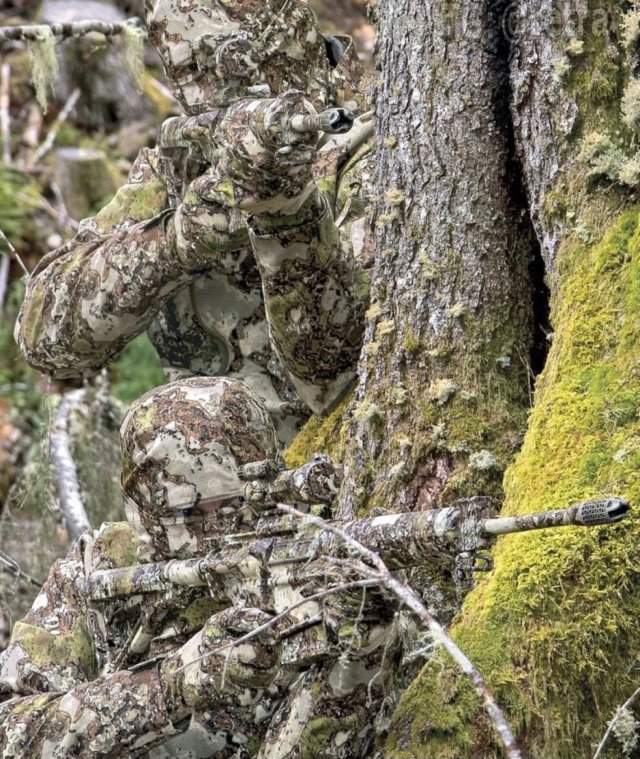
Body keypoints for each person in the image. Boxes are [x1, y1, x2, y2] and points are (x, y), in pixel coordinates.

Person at [15, 0, 375, 445]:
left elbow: (340, 372)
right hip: (204, 490)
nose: (199, 91)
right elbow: (43, 337)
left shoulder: (363, 154)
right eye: (190, 77)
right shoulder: (180, 164)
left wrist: (284, 211)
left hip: (338, 469)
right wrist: (174, 244)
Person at [0, 377, 395, 758]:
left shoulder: (306, 563)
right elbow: (11, 735)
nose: (219, 527)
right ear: (144, 510)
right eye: (188, 512)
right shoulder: (98, 569)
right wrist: (172, 685)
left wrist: (358, 656)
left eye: (237, 505)